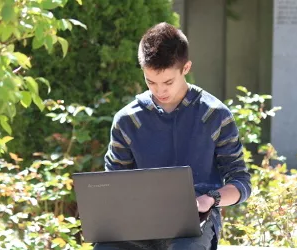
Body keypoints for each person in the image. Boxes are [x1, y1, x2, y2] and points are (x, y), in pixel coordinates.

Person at [95, 22, 251, 250]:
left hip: (194, 226)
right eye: (151, 81)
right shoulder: (127, 120)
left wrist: (210, 199)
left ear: (186, 68)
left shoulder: (214, 115)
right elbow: (115, 183)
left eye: (168, 82)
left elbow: (241, 182)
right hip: (138, 224)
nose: (160, 91)